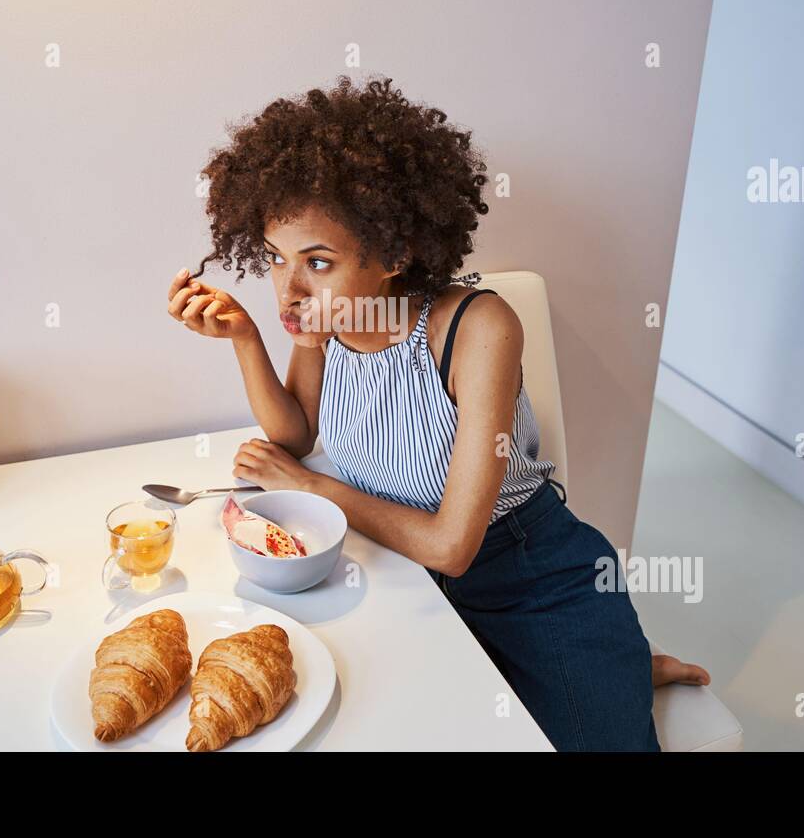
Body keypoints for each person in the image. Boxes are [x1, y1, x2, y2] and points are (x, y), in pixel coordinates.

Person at [167, 75, 708, 750]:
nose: (291, 287)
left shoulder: (477, 329)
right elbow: (297, 434)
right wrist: (246, 338)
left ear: (395, 253)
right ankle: (604, 675)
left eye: (318, 261)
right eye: (276, 258)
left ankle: (607, 663)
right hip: (403, 576)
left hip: (530, 579)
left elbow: (453, 547)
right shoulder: (326, 317)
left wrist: (307, 488)